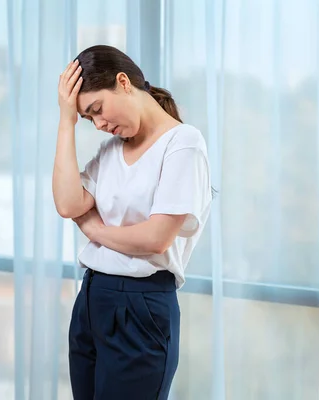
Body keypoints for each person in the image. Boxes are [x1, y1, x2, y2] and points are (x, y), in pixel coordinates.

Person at [52, 44, 212, 400]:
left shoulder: (183, 144)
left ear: (123, 82)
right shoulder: (111, 151)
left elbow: (157, 238)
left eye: (97, 111)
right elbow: (67, 203)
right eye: (89, 119)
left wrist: (95, 230)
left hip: (141, 308)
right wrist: (67, 120)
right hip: (93, 300)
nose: (100, 125)